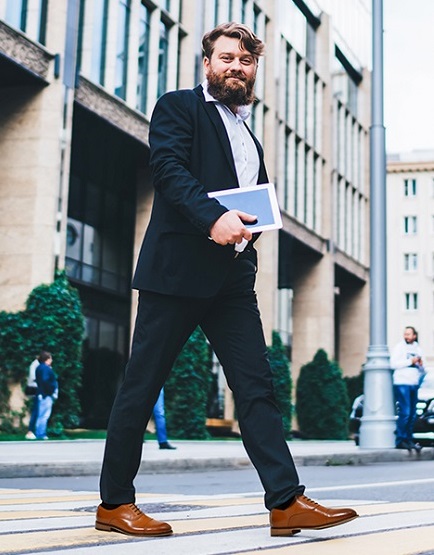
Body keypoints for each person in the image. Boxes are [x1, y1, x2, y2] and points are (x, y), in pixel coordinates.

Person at [96, 22, 358, 538]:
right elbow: (169, 169)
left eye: (246, 60)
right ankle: (114, 504)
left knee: (256, 387)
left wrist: (248, 238)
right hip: (175, 273)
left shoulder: (249, 134)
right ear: (207, 63)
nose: (236, 67)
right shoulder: (179, 106)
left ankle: (286, 501)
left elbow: (249, 205)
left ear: (254, 69)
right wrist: (213, 219)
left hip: (231, 279)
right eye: (227, 58)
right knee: (141, 387)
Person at [390, 326, 425, 452]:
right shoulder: (400, 347)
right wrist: (410, 361)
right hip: (402, 382)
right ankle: (401, 439)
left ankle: (409, 439)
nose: (406, 336)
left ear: (414, 336)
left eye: (409, 334)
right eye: (405, 334)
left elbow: (423, 369)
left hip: (413, 383)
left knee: (412, 413)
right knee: (405, 412)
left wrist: (420, 364)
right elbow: (393, 364)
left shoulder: (418, 348)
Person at [34, 351, 58, 440]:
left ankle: (38, 432)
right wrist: (51, 391)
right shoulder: (46, 369)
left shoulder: (39, 368)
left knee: (40, 414)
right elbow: (46, 381)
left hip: (41, 393)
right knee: (44, 415)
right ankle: (41, 433)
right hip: (46, 394)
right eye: (50, 358)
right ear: (47, 359)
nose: (51, 360)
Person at [24, 355, 41, 440]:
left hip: (36, 389)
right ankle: (30, 431)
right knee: (36, 410)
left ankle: (33, 430)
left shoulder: (36, 364)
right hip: (35, 390)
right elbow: (33, 378)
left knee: (37, 411)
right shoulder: (35, 365)